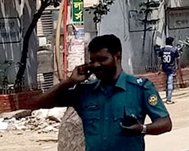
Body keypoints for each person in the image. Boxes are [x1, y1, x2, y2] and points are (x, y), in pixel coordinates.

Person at [31, 34, 172, 151]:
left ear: (117, 57)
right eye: (92, 60)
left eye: (102, 59)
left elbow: (165, 123)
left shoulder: (140, 89)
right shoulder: (84, 91)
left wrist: (142, 129)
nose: (96, 65)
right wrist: (70, 81)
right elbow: (39, 103)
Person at [158, 37, 180, 104]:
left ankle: (167, 97)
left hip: (164, 67)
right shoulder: (174, 50)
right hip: (171, 68)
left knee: (167, 82)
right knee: (170, 83)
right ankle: (169, 99)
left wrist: (159, 68)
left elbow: (159, 59)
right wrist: (177, 66)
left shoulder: (162, 49)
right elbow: (178, 58)